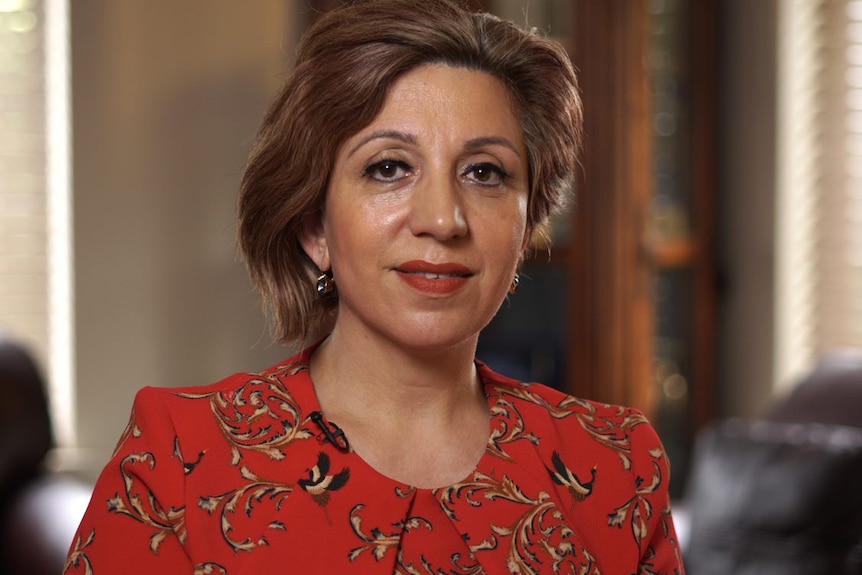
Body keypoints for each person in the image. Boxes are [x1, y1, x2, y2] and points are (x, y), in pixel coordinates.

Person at [64, 0, 685, 573]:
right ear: (315, 226)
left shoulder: (614, 465)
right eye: (388, 168)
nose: (443, 220)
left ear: (526, 228)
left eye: (485, 172)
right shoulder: (180, 459)